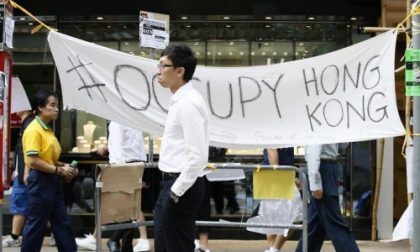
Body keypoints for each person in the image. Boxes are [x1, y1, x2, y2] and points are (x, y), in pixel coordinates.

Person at [154, 44, 209, 252]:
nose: (158, 70)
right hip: (170, 183)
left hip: (180, 184)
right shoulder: (179, 100)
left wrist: (176, 191)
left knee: (176, 246)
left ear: (179, 71)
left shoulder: (188, 103)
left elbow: (198, 155)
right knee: (164, 244)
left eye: (163, 65)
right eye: (158, 64)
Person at [76, 121, 150, 252]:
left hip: (123, 165)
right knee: (130, 207)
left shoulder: (117, 120)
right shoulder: (128, 115)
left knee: (125, 207)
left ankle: (114, 239)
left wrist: (116, 170)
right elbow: (129, 145)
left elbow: (119, 148)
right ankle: (121, 243)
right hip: (135, 163)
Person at [21, 90, 78, 252]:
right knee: (36, 225)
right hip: (41, 181)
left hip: (51, 180)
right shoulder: (34, 130)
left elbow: (46, 158)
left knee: (62, 222)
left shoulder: (46, 129)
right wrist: (59, 170)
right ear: (40, 107)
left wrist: (64, 167)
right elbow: (32, 160)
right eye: (52, 105)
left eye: (57, 106)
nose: (56, 109)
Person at [295, 144, 360, 252]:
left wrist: (315, 181)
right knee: (315, 226)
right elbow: (343, 144)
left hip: (322, 167)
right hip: (327, 165)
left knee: (333, 223)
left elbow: (314, 146)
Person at [247, 148, 302, 252]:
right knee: (295, 215)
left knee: (272, 215)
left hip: (273, 175)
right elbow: (272, 150)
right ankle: (274, 248)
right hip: (280, 175)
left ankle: (272, 248)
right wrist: (284, 176)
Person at [2, 110, 34, 247]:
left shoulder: (29, 125)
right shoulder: (26, 124)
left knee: (19, 205)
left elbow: (27, 153)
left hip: (24, 175)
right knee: (33, 207)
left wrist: (23, 173)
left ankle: (14, 237)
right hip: (22, 173)